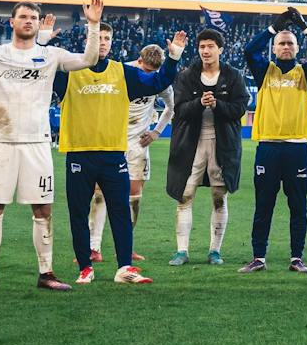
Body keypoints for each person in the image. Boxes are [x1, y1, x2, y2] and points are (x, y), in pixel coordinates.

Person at [0, 0, 97, 294]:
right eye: (23, 17)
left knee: (43, 210)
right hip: (1, 142)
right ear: (11, 22)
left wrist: (93, 25)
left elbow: (89, 59)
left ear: (39, 24)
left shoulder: (52, 55)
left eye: (33, 18)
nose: (28, 21)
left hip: (37, 143)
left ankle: (46, 273)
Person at [55, 20, 183, 285]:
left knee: (121, 211)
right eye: (97, 37)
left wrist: (173, 58)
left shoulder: (124, 73)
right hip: (79, 153)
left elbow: (159, 81)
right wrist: (44, 40)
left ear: (112, 43)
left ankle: (125, 267)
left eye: (106, 38)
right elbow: (40, 69)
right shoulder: (68, 72)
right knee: (78, 213)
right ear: (87, 41)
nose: (102, 42)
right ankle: (85, 267)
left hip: (114, 154)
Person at [242, 8, 307, 274]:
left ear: (297, 48)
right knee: (263, 206)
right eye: (282, 43)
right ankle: (258, 257)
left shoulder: (305, 73)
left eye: (290, 43)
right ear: (274, 48)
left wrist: (305, 27)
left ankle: (297, 258)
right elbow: (249, 51)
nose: (286, 47)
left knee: (298, 206)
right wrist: (273, 28)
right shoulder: (264, 71)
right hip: (267, 147)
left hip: (296, 148)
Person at [164, 28, 249, 266]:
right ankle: (182, 251)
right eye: (202, 47)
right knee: (185, 195)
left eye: (210, 46)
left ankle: (215, 251)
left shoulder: (233, 76)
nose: (206, 51)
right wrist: (200, 103)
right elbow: (179, 110)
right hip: (190, 144)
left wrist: (218, 105)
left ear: (220, 49)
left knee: (218, 197)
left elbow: (240, 108)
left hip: (222, 145)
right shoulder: (187, 76)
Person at [87, 46, 172, 266]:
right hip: (112, 141)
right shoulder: (121, 72)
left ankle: (126, 246)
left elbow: (171, 108)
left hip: (137, 145)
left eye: (154, 71)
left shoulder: (160, 81)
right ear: (139, 61)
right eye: (146, 70)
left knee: (134, 195)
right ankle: (93, 247)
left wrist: (156, 132)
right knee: (99, 193)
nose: (150, 75)